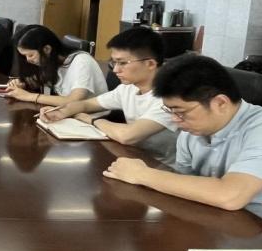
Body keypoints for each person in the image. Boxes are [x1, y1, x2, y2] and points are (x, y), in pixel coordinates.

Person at [104, 55, 262, 211]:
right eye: (170, 111)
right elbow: (185, 184)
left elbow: (230, 195)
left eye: (181, 112)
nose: (175, 120)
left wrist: (143, 174)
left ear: (220, 103)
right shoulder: (191, 133)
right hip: (222, 222)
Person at [40, 28, 177, 164]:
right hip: (133, 157)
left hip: (162, 167)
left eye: (122, 63)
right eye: (114, 62)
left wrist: (91, 120)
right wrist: (61, 112)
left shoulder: (170, 97)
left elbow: (127, 136)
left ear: (150, 64)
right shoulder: (128, 88)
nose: (116, 70)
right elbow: (88, 104)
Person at [2, 25, 107, 107]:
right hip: (66, 114)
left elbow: (74, 101)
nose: (28, 60)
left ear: (47, 49)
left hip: (89, 119)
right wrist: (23, 84)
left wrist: (28, 96)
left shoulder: (82, 61)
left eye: (30, 55)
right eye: (24, 56)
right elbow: (43, 80)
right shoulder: (52, 61)